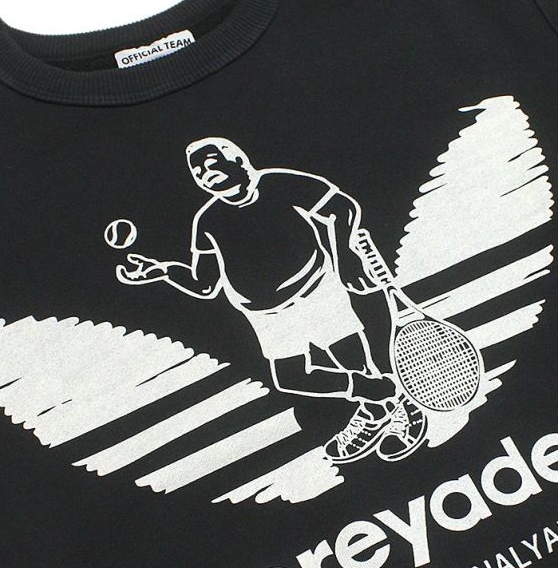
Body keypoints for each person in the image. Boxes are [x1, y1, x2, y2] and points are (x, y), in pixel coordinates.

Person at [116, 137, 408, 462]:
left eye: (211, 163)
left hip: (316, 292)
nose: (205, 173)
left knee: (352, 359)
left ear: (238, 159)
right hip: (266, 316)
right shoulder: (207, 220)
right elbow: (204, 285)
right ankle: (381, 395)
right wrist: (163, 271)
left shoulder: (278, 183)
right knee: (290, 378)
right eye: (197, 171)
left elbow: (342, 207)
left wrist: (346, 256)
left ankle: (389, 414)